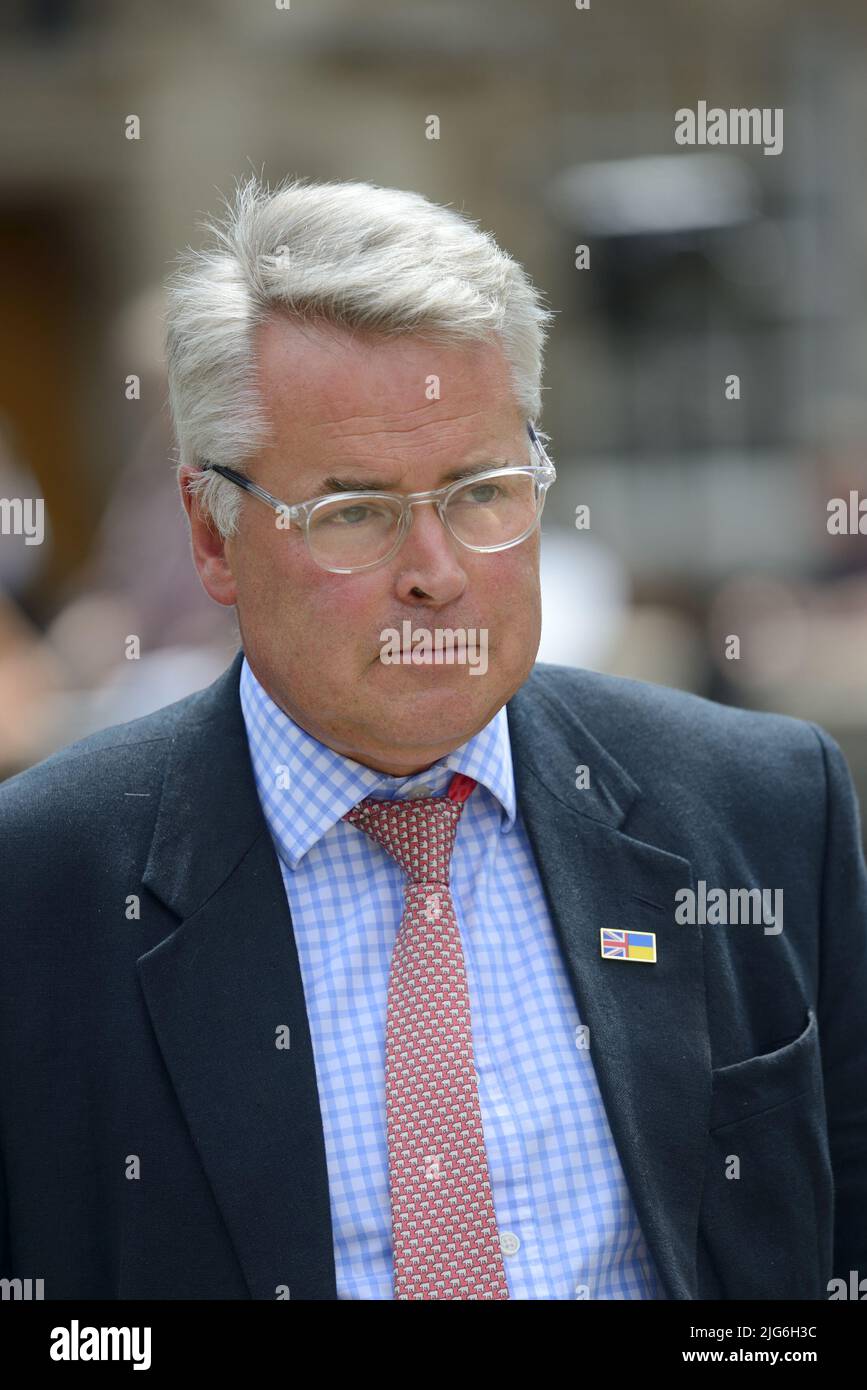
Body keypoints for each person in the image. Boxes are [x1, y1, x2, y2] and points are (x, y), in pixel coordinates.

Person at [0, 175, 864, 1301]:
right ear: (211, 536)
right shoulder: (45, 885)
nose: (438, 573)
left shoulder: (762, 806)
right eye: (352, 510)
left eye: (483, 491)